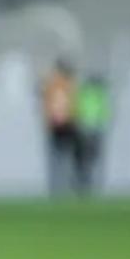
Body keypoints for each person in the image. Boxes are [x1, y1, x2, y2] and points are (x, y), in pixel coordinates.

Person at [41, 58, 79, 195]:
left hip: (60, 124)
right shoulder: (65, 85)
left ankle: (60, 185)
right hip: (63, 124)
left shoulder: (54, 85)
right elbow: (72, 105)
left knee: (60, 157)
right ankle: (62, 185)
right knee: (63, 157)